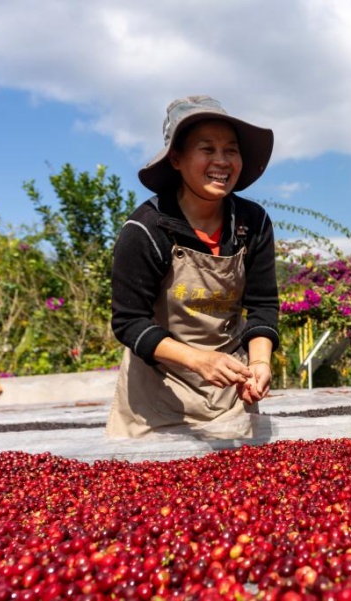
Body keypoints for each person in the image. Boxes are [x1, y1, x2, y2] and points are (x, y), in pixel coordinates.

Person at [105, 95, 280, 439]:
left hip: (230, 396)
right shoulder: (146, 228)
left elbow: (262, 306)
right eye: (207, 149)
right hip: (156, 400)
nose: (222, 161)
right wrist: (199, 360)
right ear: (176, 159)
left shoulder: (252, 223)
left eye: (231, 150)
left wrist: (259, 362)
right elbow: (129, 322)